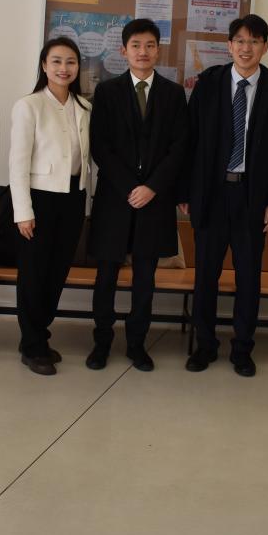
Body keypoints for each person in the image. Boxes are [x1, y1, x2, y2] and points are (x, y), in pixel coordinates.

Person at [179, 14, 268, 377]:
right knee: (206, 276)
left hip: (252, 197)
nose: (247, 48)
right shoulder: (209, 83)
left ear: (265, 47)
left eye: (254, 41)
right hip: (212, 195)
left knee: (248, 278)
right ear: (229, 46)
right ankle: (205, 345)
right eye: (240, 41)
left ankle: (243, 348)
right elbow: (189, 140)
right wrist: (186, 191)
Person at [86, 19, 187, 372]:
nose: (143, 52)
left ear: (158, 50)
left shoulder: (174, 94)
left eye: (149, 45)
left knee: (145, 278)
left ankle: (136, 344)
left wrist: (152, 187)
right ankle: (101, 342)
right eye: (136, 45)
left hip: (154, 201)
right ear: (124, 50)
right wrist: (130, 186)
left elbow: (179, 147)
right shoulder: (107, 92)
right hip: (115, 198)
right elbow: (100, 145)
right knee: (106, 276)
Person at [9, 37, 91, 376]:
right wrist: (23, 212)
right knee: (34, 274)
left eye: (70, 62)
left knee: (57, 272)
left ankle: (40, 334)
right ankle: (31, 345)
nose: (63, 68)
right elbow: (17, 162)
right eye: (56, 61)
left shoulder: (84, 106)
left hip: (73, 197)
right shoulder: (29, 105)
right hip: (39, 198)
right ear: (44, 66)